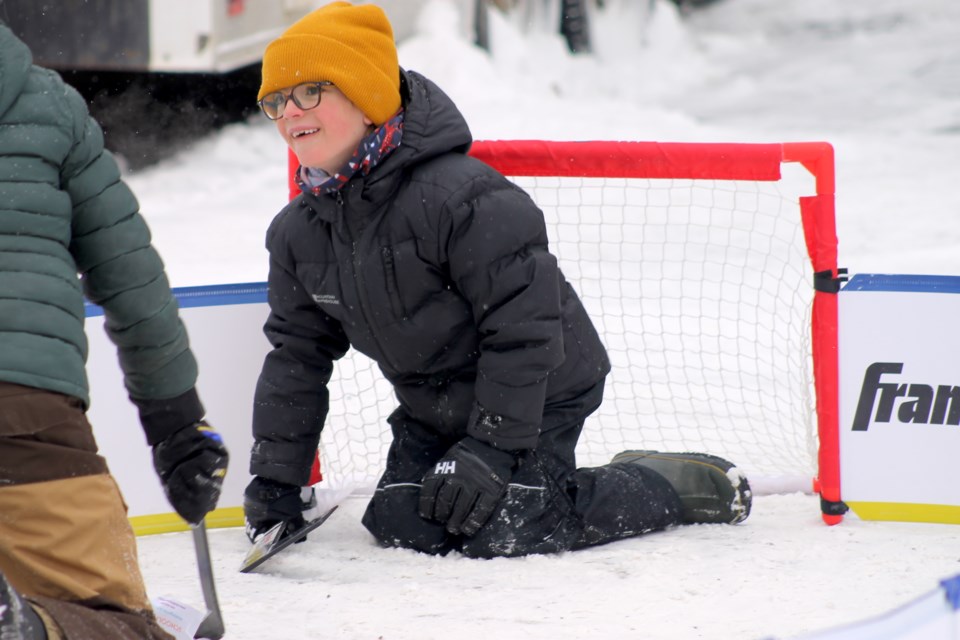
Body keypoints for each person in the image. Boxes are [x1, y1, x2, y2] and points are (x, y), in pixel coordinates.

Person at [242, 1, 751, 560]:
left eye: (309, 91)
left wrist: (489, 450)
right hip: (433, 404)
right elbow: (297, 360)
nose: (289, 111)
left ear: (367, 99)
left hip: (543, 387)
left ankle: (670, 484)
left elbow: (525, 334)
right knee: (403, 524)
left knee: (507, 525)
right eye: (275, 100)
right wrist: (276, 482)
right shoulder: (298, 233)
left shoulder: (463, 197)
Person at [0, 22, 228, 640]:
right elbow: (133, 282)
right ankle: (30, 625)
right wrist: (177, 426)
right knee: (113, 627)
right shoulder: (44, 105)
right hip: (23, 416)